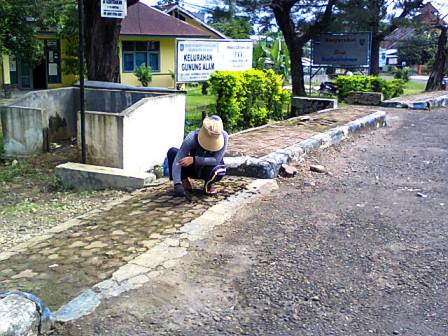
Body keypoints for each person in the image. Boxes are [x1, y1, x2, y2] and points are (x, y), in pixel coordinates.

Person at [167, 115, 228, 197]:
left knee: (219, 170)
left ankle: (209, 184)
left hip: (209, 168)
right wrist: (177, 183)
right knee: (172, 152)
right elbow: (178, 159)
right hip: (193, 168)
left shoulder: (224, 136)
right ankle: (184, 181)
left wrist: (195, 159)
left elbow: (216, 160)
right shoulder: (191, 138)